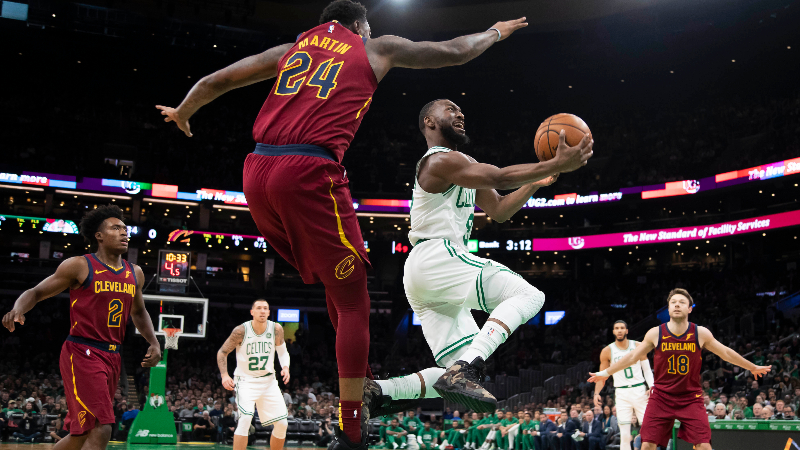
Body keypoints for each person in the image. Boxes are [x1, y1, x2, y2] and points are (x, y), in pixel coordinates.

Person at [157, 1, 527, 446]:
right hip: (308, 170)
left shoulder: (293, 49)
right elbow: (454, 50)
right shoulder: (373, 47)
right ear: (359, 25)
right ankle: (353, 424)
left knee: (337, 285)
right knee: (354, 300)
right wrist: (496, 33)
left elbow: (218, 79)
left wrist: (183, 110)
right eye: (367, 28)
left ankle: (367, 384)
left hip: (255, 172)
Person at [365, 99, 593, 415]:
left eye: (461, 110)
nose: (459, 113)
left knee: (455, 374)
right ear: (429, 122)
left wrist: (534, 183)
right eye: (450, 109)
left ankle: (380, 391)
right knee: (529, 296)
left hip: (424, 274)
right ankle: (465, 367)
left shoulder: (463, 164)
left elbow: (499, 210)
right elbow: (499, 177)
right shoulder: (438, 161)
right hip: (438, 255)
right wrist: (554, 164)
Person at [2, 205, 161, 450]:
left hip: (113, 355)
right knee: (103, 427)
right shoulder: (79, 266)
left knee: (81, 434)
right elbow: (36, 292)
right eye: (115, 228)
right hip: (83, 351)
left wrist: (153, 341)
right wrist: (18, 309)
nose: (124, 233)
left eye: (125, 229)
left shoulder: (134, 272)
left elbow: (138, 312)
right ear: (98, 235)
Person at [589, 288, 772, 450]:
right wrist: (605, 373)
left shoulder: (700, 333)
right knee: (646, 445)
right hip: (661, 397)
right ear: (668, 308)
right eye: (673, 302)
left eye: (682, 302)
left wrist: (752, 366)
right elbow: (631, 357)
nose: (677, 305)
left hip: (690, 398)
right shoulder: (655, 333)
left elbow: (725, 353)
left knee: (704, 445)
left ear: (690, 309)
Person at [217, 299, 290, 450]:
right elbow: (222, 352)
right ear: (252, 312)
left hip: (269, 381)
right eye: (259, 308)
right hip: (245, 381)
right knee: (245, 419)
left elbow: (282, 351)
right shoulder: (241, 331)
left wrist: (285, 367)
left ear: (269, 312)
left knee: (282, 423)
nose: (262, 311)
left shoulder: (276, 329)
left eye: (265, 308)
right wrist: (224, 375)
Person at [593, 321, 652, 450]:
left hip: (639, 390)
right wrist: (597, 393)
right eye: (616, 328)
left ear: (627, 331)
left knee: (648, 431)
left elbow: (647, 369)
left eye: (622, 328)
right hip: (621, 393)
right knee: (624, 435)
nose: (619, 330)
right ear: (613, 332)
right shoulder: (607, 351)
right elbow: (602, 375)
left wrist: (652, 386)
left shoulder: (638, 345)